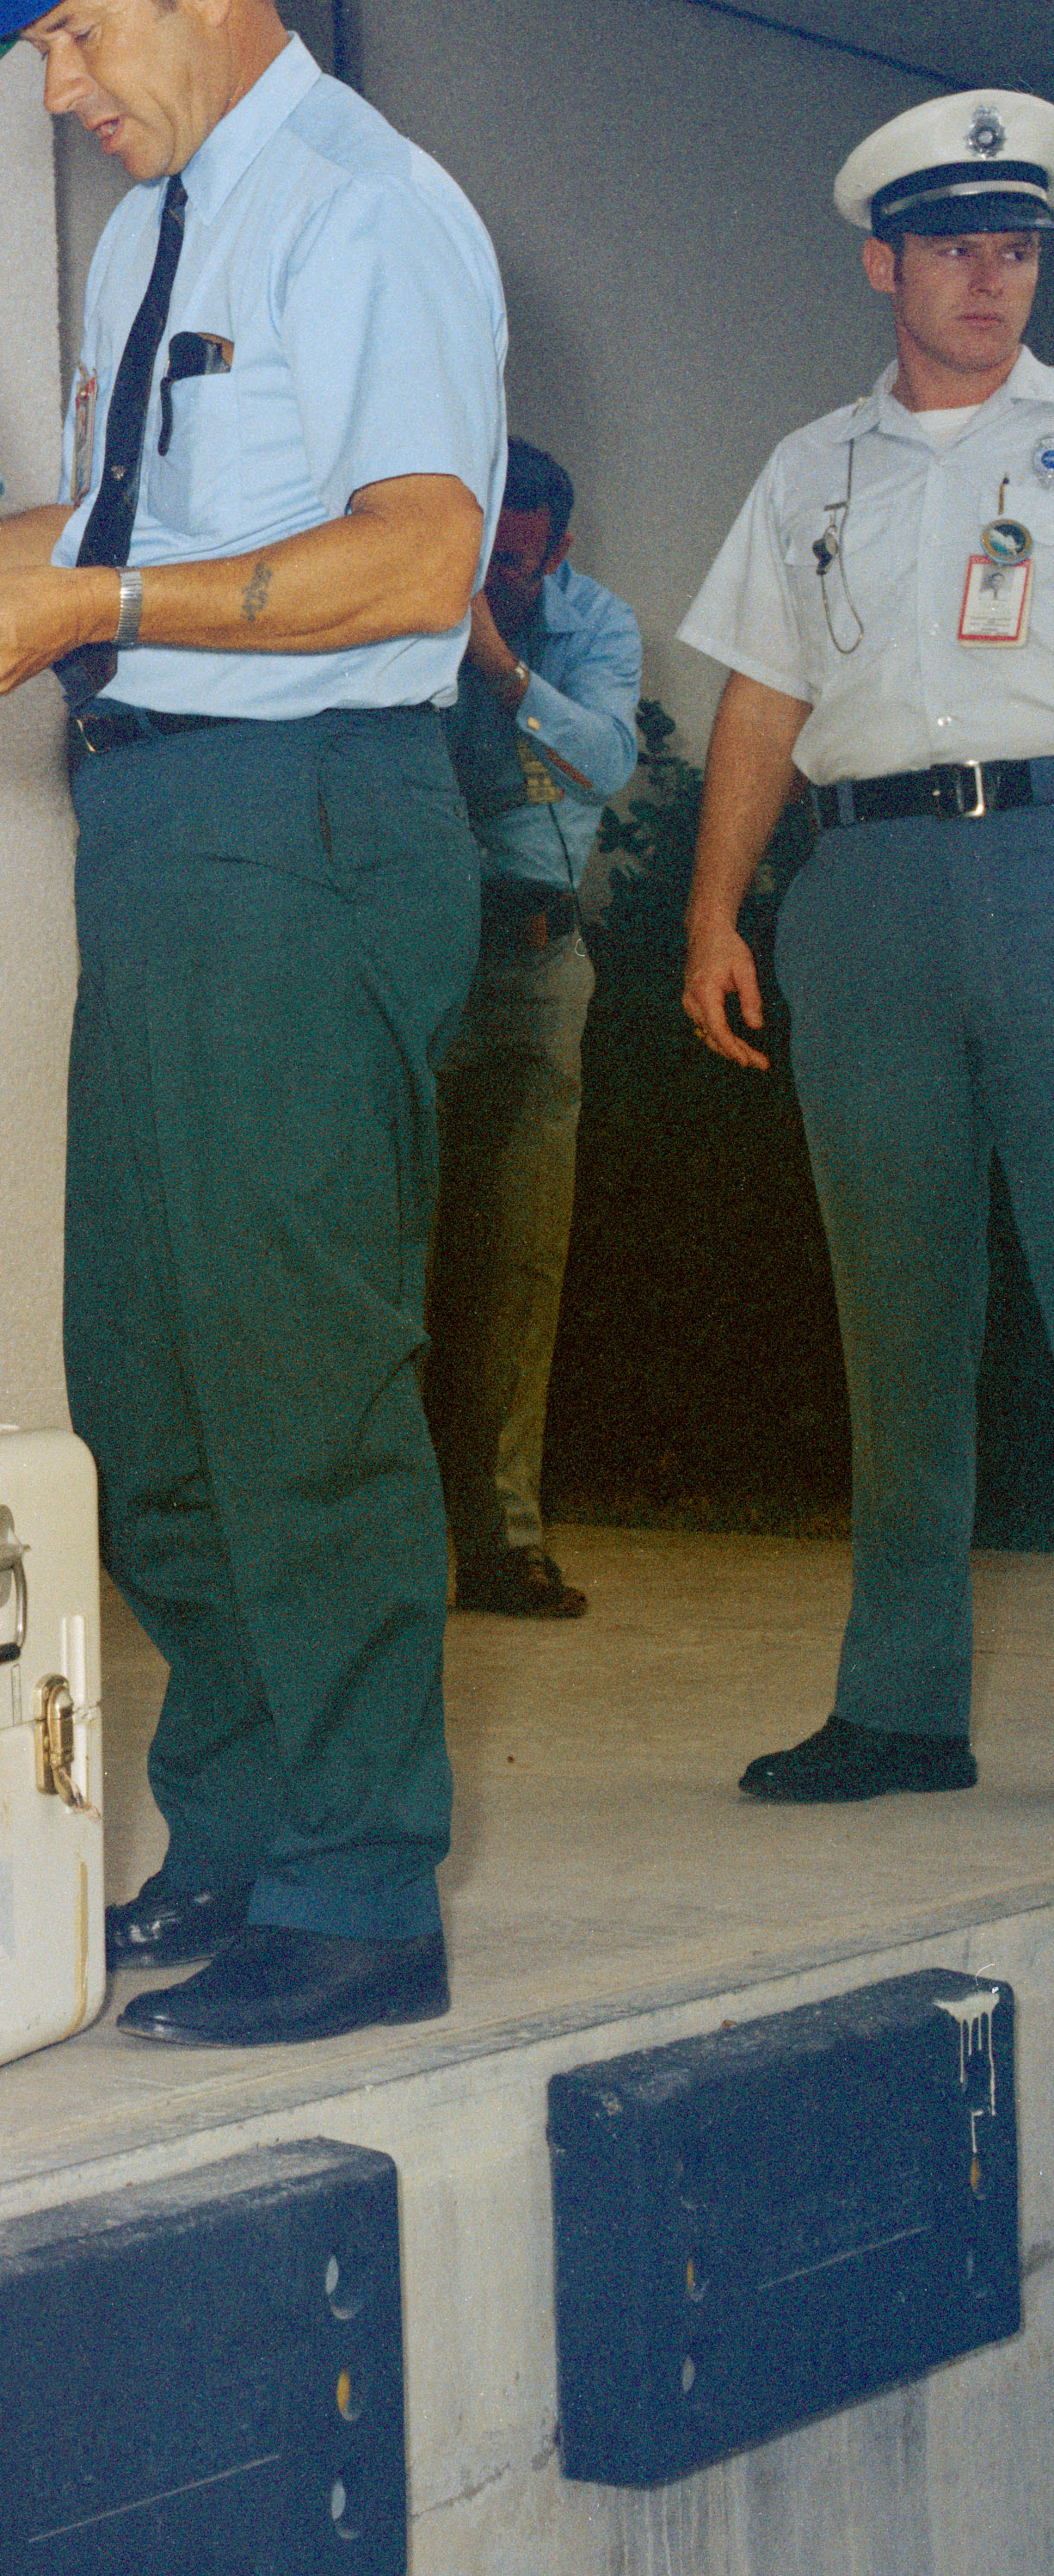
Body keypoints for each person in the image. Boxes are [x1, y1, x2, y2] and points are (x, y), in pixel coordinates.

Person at [0, 0, 505, 2046]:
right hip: (172, 832)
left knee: (302, 1385)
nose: (63, 94)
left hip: (314, 822)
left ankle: (368, 1891)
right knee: (158, 1386)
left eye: (78, 38)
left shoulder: (373, 213)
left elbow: (416, 557)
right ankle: (252, 1841)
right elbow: (130, 523)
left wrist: (76, 593)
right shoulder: (160, 234)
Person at [681, 88, 1054, 1804]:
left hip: (1044, 863)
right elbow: (763, 697)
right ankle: (901, 1710)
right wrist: (711, 915)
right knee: (898, 1314)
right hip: (866, 898)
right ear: (880, 261)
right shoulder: (807, 468)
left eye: (1019, 245)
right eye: (961, 247)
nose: (997, 278)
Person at [425, 439, 640, 1620]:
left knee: (518, 1264)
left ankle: (504, 1543)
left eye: (516, 562)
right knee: (390, 1255)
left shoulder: (595, 624)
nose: (493, 578)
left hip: (537, 959)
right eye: (479, 558)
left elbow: (606, 754)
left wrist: (502, 665)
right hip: (418, 958)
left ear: (557, 551)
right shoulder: (402, 599)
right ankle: (390, 1538)